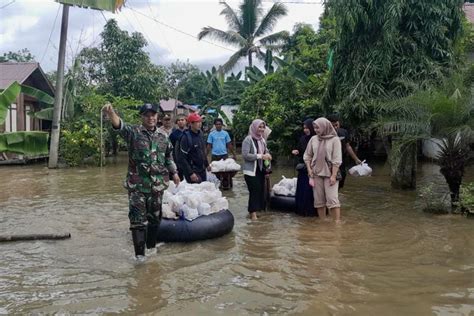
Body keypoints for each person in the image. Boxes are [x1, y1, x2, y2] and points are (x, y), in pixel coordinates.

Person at [102, 103, 180, 258]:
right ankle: (139, 257)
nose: (150, 118)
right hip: (137, 186)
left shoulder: (163, 136)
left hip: (157, 187)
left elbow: (168, 157)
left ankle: (151, 249)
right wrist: (111, 113)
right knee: (137, 221)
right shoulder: (133, 133)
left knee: (154, 220)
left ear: (157, 117)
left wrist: (175, 172)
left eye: (153, 115)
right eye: (147, 115)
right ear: (142, 117)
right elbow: (119, 125)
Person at [304, 117, 342, 222]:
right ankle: (323, 222)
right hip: (316, 173)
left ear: (325, 126)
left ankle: (337, 223)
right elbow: (307, 156)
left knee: (332, 199)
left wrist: (334, 175)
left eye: (318, 128)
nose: (316, 130)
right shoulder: (313, 139)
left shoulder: (335, 140)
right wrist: (309, 170)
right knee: (319, 200)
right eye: (315, 128)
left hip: (330, 173)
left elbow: (337, 159)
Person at [242, 119, 272, 220]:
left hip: (260, 170)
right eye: (260, 127)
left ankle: (256, 210)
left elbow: (265, 151)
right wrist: (260, 156)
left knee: (260, 190)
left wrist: (268, 156)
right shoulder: (248, 139)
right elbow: (245, 155)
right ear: (254, 127)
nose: (262, 129)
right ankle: (252, 213)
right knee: (254, 190)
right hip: (250, 171)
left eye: (263, 127)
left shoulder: (262, 140)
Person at [327, 114, 362, 189]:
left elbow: (348, 146)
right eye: (333, 126)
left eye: (336, 125)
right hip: (329, 162)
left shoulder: (343, 132)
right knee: (330, 180)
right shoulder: (325, 134)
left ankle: (338, 195)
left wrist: (356, 159)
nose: (335, 127)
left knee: (341, 179)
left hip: (341, 160)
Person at [175, 112, 210, 183]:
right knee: (196, 192)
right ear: (191, 124)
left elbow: (202, 151)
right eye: (197, 122)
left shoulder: (200, 134)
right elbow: (182, 158)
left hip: (202, 169)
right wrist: (190, 173)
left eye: (200, 122)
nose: (199, 124)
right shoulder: (186, 137)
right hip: (192, 171)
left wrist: (207, 165)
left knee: (204, 190)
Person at [291, 118, 316, 216]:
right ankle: (302, 211)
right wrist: (296, 152)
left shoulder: (317, 139)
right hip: (304, 169)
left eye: (307, 127)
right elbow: (301, 152)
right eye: (304, 128)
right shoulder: (302, 139)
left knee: (312, 192)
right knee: (303, 190)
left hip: (315, 169)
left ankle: (313, 212)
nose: (305, 130)